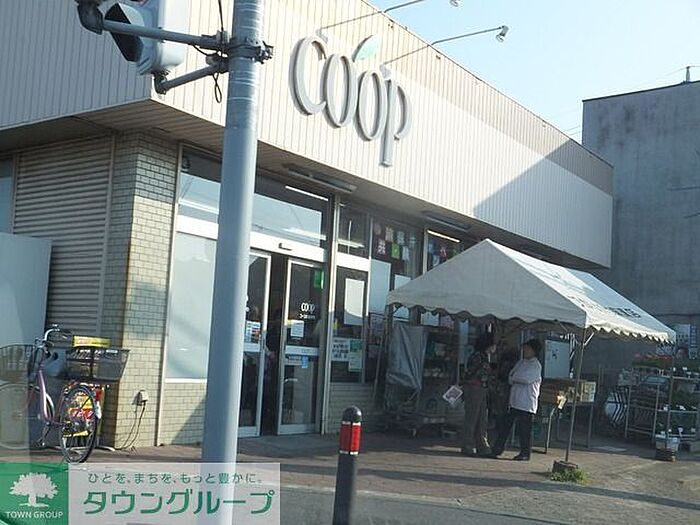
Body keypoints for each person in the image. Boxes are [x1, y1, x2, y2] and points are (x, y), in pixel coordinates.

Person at [490, 339, 542, 461]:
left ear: (534, 351)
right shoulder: (521, 362)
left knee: (524, 429)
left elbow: (526, 379)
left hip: (526, 402)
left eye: (528, 349)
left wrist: (515, 378)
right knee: (505, 426)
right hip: (514, 401)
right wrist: (514, 378)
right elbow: (510, 375)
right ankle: (497, 449)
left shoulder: (536, 365)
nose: (525, 351)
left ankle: (525, 453)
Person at [460, 332, 497, 457]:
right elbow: (471, 373)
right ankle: (467, 446)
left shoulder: (484, 356)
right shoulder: (477, 356)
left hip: (482, 389)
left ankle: (482, 446)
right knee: (471, 418)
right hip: (474, 388)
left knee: (482, 419)